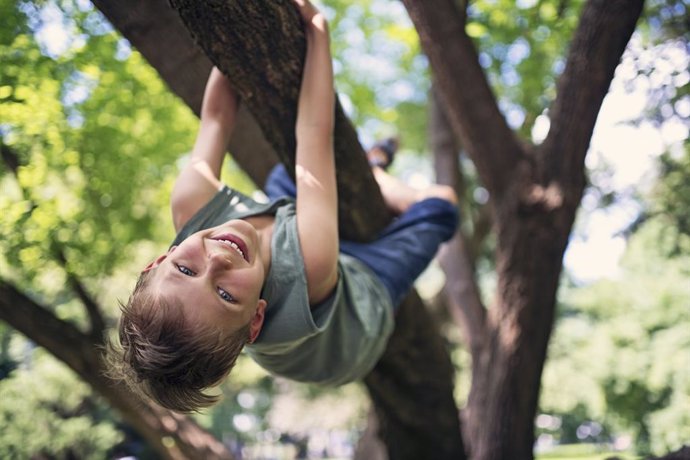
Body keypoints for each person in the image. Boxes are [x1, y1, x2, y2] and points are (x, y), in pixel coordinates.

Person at [106, 0, 458, 413]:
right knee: (443, 205)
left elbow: (217, 117)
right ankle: (378, 174)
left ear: (158, 261)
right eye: (224, 294)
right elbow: (314, 130)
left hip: (301, 237)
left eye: (185, 270)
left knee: (291, 171)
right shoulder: (312, 262)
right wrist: (318, 31)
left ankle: (372, 166)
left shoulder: (191, 204)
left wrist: (232, 44)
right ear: (256, 318)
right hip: (355, 320)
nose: (218, 259)